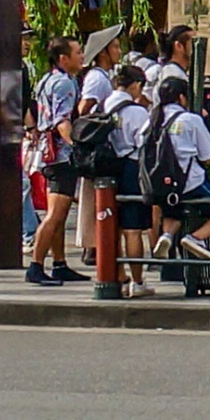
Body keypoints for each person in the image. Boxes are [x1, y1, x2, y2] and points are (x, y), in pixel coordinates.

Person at [149, 76, 210, 264]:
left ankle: (167, 235)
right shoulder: (190, 119)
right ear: (182, 98)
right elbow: (208, 154)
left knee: (173, 210)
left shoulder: (152, 120)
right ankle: (196, 238)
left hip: (161, 186)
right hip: (191, 184)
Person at [27, 35, 85, 285]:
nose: (82, 56)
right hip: (61, 156)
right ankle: (36, 265)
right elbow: (62, 120)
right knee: (55, 215)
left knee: (57, 214)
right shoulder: (64, 84)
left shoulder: (47, 79)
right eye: (78, 52)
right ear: (64, 58)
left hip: (47, 153)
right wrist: (76, 146)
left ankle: (59, 263)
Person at [76, 25, 125, 263]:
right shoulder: (96, 78)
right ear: (103, 52)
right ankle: (91, 245)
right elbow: (84, 109)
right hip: (97, 145)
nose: (119, 51)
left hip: (103, 144)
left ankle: (95, 244)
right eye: (115, 47)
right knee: (94, 196)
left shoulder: (106, 77)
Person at [105, 61, 153, 293]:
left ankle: (116, 276)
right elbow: (143, 144)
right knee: (133, 229)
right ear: (134, 85)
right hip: (132, 167)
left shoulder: (107, 104)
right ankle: (138, 282)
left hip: (109, 167)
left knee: (112, 226)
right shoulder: (137, 112)